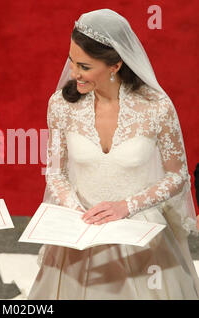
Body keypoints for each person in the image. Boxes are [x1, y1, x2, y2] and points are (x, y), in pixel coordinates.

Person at [28, 9, 199, 300]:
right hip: (79, 234)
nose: (73, 73)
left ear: (115, 65)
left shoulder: (157, 106)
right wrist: (76, 210)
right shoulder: (61, 105)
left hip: (142, 237)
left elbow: (177, 176)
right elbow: (55, 172)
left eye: (84, 66)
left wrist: (126, 206)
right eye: (71, 60)